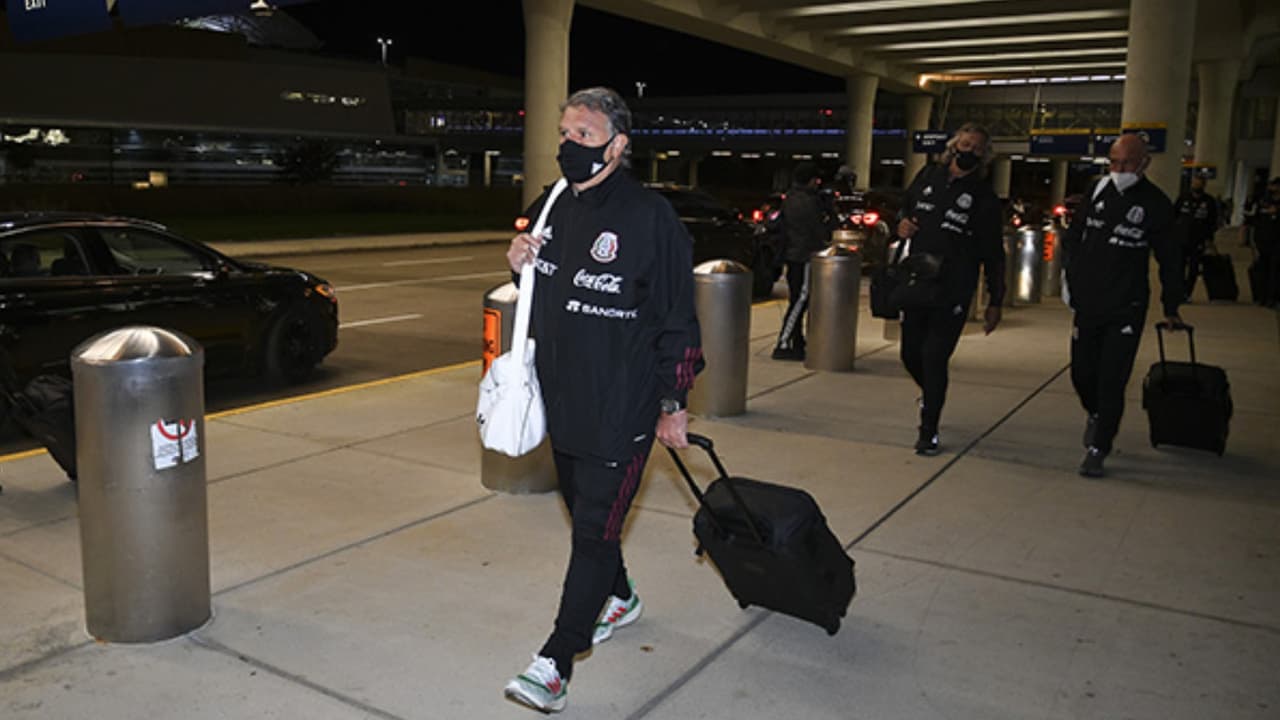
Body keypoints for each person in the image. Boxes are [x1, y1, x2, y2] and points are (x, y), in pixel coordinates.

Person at [501, 86, 704, 714]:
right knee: (589, 514)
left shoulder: (651, 218)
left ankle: (556, 660)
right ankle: (621, 596)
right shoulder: (551, 204)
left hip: (623, 403)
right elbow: (537, 285)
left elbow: (678, 317)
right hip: (562, 397)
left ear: (618, 146)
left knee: (592, 531)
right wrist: (516, 261)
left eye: (584, 135)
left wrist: (673, 400)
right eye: (564, 134)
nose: (569, 146)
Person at [1060, 133, 1184, 478]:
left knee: (1111, 379)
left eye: (1127, 163)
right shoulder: (1098, 190)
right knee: (1082, 374)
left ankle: (1099, 447)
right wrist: (1070, 276)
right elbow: (1075, 236)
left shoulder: (1155, 204)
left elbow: (1170, 258)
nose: (1119, 169)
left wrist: (1171, 304)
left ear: (1144, 163)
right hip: (1089, 302)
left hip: (1125, 305)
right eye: (1113, 162)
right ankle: (1096, 413)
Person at [895, 123, 1005, 455]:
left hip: (954, 287)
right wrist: (903, 223)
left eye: (977, 148)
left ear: (984, 155)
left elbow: (994, 254)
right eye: (965, 144)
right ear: (954, 146)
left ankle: (928, 429)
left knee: (934, 356)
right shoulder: (929, 176)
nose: (969, 151)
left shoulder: (984, 197)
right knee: (910, 353)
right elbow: (905, 206)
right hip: (918, 279)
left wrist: (995, 299)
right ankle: (931, 393)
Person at [772, 162, 830, 361]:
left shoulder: (790, 198)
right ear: (811, 180)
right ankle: (784, 341)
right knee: (800, 299)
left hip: (793, 253)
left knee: (797, 298)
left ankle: (796, 340)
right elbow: (818, 230)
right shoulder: (809, 201)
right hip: (804, 254)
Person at [1172, 174, 1219, 301]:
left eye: (1199, 183)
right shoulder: (1183, 198)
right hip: (1181, 238)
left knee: (1194, 268)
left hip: (1198, 240)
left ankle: (1187, 293)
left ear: (1204, 185)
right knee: (1179, 267)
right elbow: (1173, 215)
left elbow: (1212, 222)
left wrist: (1209, 239)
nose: (1196, 185)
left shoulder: (1209, 201)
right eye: (1195, 183)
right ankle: (1179, 291)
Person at [1250, 178, 1280, 307]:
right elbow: (1256, 221)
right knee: (1263, 270)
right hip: (1263, 241)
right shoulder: (1263, 202)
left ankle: (1273, 297)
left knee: (1275, 270)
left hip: (1277, 242)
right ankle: (1262, 296)